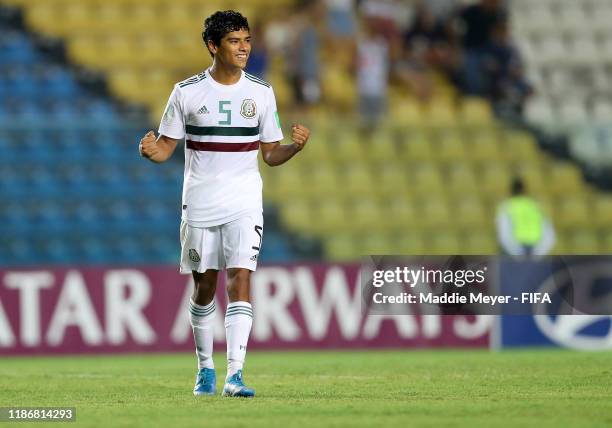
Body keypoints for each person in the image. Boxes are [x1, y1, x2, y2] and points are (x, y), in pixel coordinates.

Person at [138, 10, 310, 398]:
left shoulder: (261, 92)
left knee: (241, 278)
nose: (244, 47)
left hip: (245, 200)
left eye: (247, 40)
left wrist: (294, 148)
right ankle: (204, 369)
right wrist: (150, 150)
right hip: (200, 200)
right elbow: (166, 148)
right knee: (204, 285)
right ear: (213, 46)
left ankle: (235, 374)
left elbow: (269, 154)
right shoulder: (186, 92)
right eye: (235, 41)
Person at [496, 177, 555, 257]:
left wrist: (517, 253)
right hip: (536, 248)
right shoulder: (536, 206)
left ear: (511, 191)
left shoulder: (507, 206)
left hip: (516, 250)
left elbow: (504, 233)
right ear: (525, 190)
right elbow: (549, 233)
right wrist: (539, 252)